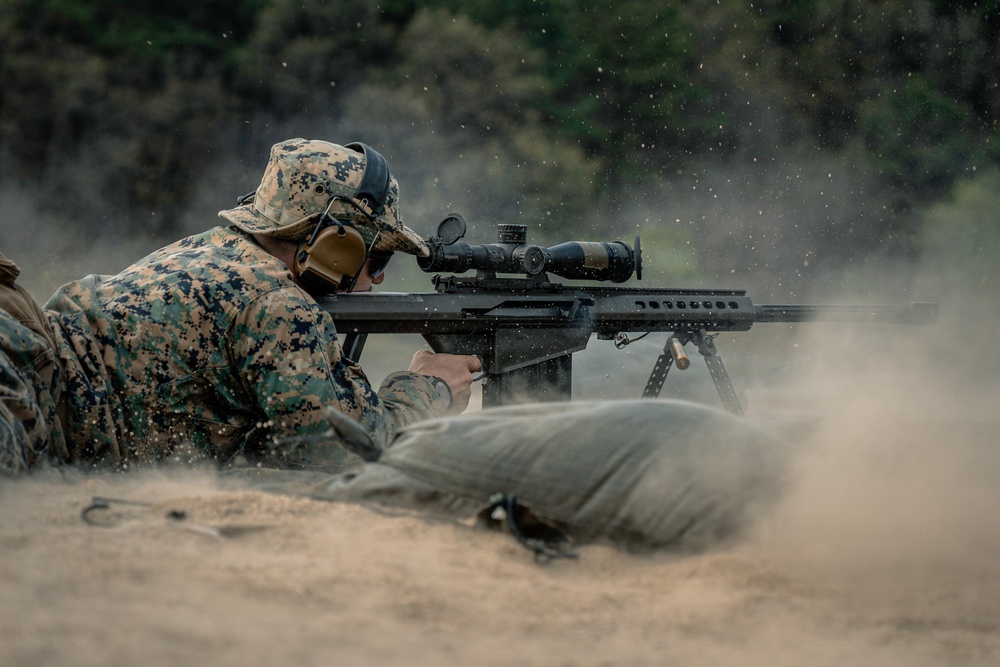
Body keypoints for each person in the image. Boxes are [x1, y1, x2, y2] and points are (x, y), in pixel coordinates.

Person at [1, 138, 480, 475]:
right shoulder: (276, 303)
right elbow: (341, 452)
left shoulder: (206, 250)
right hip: (23, 392)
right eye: (376, 260)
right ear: (338, 245)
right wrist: (427, 389)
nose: (375, 281)